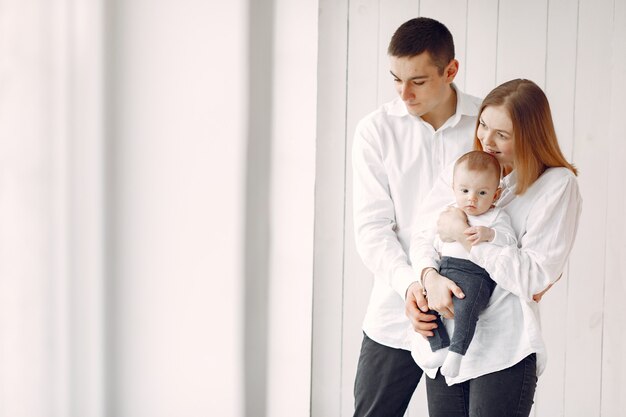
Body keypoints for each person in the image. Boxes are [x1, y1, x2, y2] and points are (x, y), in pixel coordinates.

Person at [407, 78, 582, 417]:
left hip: (503, 349)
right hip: (445, 342)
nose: (486, 140)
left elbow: (533, 277)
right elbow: (423, 235)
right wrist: (428, 278)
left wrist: (465, 237)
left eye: (501, 134)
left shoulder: (557, 186)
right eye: (483, 125)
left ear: (530, 137)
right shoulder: (465, 169)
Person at [351, 16, 481, 417]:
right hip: (395, 311)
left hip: (470, 317)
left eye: (418, 81)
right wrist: (410, 284)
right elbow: (372, 228)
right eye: (395, 79)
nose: (403, 93)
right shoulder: (376, 131)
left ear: (450, 70)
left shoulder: (487, 123)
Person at [410, 150, 517, 378]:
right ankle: (439, 347)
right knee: (424, 306)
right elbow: (429, 239)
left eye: (482, 193)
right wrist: (431, 273)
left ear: (496, 195)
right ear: (454, 188)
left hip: (475, 275)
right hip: (444, 269)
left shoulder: (496, 217)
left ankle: (457, 353)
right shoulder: (449, 212)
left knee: (466, 308)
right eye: (465, 191)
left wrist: (491, 235)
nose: (472, 199)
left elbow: (510, 241)